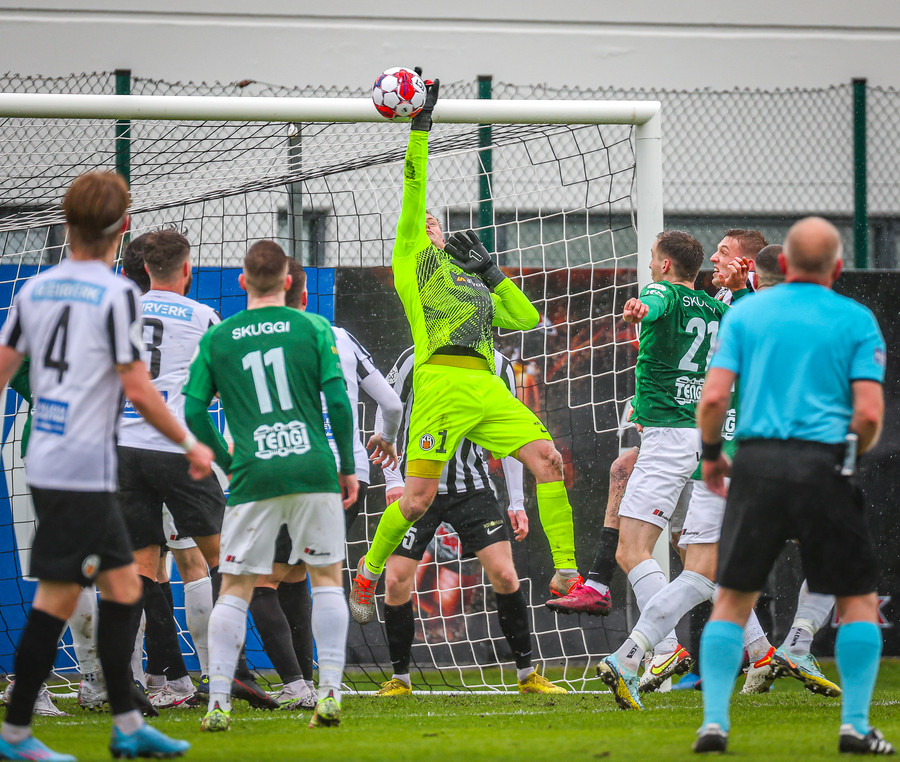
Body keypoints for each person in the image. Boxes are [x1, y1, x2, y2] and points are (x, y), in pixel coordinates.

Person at [349, 77, 585, 625]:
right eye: (424, 223)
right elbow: (413, 191)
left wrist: (492, 272)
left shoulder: (472, 280)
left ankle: (567, 573)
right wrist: (421, 129)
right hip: (440, 385)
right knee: (415, 501)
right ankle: (367, 571)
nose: (430, 224)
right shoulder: (413, 267)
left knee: (548, 460)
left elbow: (526, 319)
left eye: (437, 222)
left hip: (485, 386)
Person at [0, 171, 212, 761]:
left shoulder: (35, 290)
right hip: (84, 465)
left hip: (51, 458)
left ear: (67, 223)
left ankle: (126, 722)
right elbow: (138, 389)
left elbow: (3, 368)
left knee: (122, 586)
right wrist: (190, 443)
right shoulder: (117, 295)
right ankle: (17, 730)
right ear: (124, 228)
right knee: (59, 597)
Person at [693, 217, 891, 755]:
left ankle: (714, 725)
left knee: (732, 599)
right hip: (825, 464)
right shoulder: (856, 319)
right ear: (838, 267)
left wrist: (711, 456)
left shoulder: (745, 314)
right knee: (857, 600)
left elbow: (713, 399)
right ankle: (855, 727)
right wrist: (845, 455)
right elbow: (869, 415)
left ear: (781, 264)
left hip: (755, 465)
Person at [183, 240, 358, 732]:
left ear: (243, 282)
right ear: (288, 282)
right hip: (312, 468)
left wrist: (229, 461)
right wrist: (346, 465)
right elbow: (339, 403)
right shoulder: (313, 327)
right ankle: (329, 694)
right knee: (327, 579)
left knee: (235, 589)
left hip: (253, 475)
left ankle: (219, 704)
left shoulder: (220, 337)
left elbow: (193, 411)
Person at [248, 257, 401, 711]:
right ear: (305, 294)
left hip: (291, 469)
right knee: (306, 574)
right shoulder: (340, 337)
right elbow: (392, 404)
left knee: (257, 582)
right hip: (350, 473)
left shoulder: (260, 338)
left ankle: (295, 683)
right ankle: (316, 684)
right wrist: (385, 439)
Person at [586, 230, 727, 706]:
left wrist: (640, 309)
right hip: (704, 437)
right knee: (696, 562)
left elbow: (655, 301)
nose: (650, 264)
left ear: (666, 265)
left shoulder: (661, 291)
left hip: (667, 437)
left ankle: (658, 649)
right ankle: (758, 649)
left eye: (652, 258)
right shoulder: (717, 309)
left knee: (631, 550)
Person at [374, 345, 565, 696]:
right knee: (397, 580)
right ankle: (400, 679)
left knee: (505, 574)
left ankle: (527, 675)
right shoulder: (415, 356)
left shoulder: (500, 365)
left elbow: (514, 435)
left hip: (472, 488)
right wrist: (392, 480)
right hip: (418, 486)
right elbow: (387, 405)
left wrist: (517, 502)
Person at [115, 229, 226, 709]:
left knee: (140, 567)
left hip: (123, 448)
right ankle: (227, 673)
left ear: (142, 269)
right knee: (219, 558)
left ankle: (128, 680)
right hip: (177, 446)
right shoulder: (202, 315)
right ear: (186, 269)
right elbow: (220, 385)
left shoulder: (119, 312)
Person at [710, 229, 768, 303]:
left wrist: (739, 291)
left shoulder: (751, 282)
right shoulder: (727, 289)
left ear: (747, 265)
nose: (713, 258)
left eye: (724, 252)